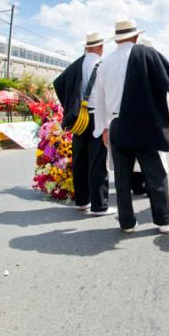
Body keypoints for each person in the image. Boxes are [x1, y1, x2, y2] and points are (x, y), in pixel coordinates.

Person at [92, 20, 169, 234]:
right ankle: (164, 221)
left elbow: (99, 99)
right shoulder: (147, 55)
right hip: (143, 122)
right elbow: (162, 85)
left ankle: (127, 223)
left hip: (116, 123)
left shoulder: (104, 63)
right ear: (136, 37)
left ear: (117, 39)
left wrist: (102, 128)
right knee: (155, 172)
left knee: (122, 176)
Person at [53, 31, 112, 216]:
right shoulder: (102, 65)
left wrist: (70, 105)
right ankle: (99, 205)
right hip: (96, 117)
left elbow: (58, 83)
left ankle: (81, 201)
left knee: (79, 160)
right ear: (101, 47)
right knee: (97, 162)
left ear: (87, 46)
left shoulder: (77, 64)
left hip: (79, 118)